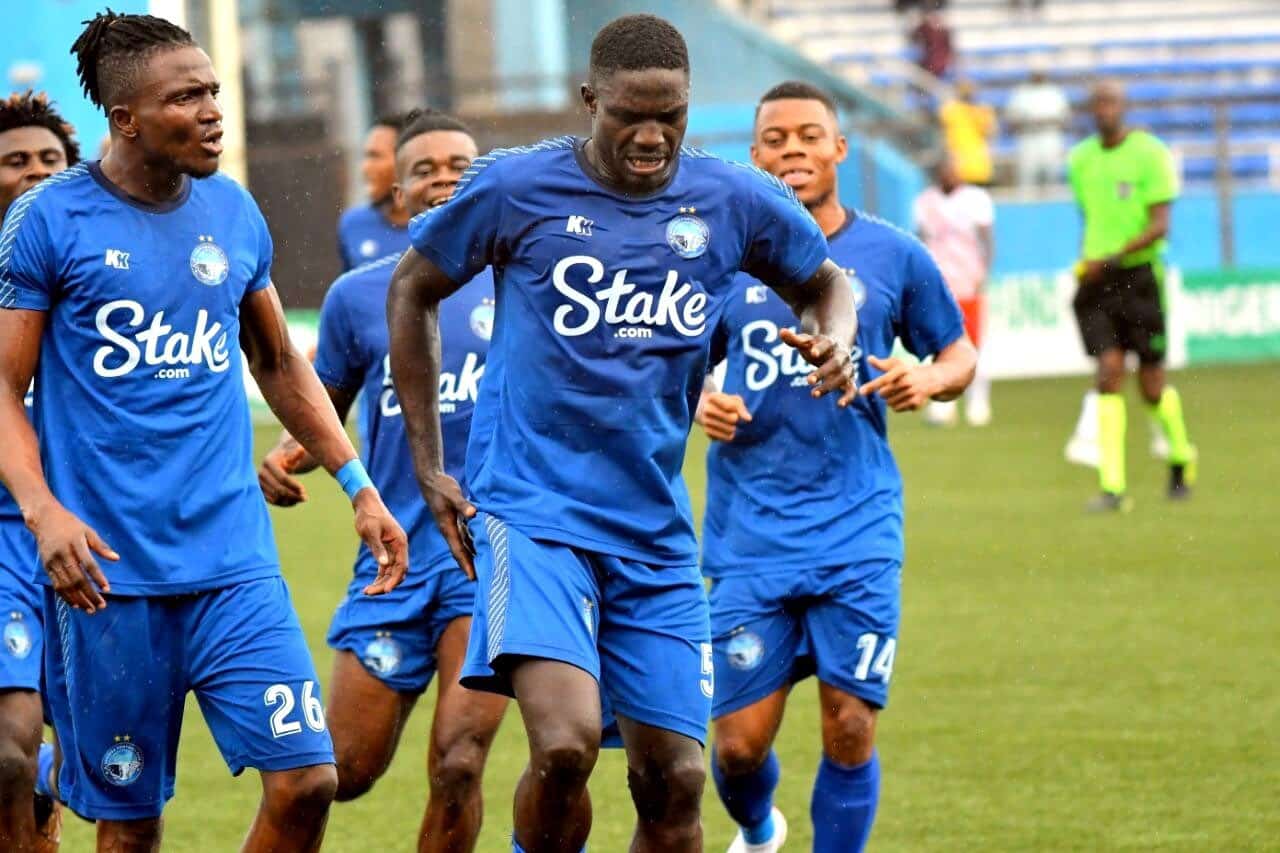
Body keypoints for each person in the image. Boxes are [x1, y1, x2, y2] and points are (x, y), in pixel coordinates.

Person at [387, 15, 859, 853]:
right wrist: (429, 464)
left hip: (653, 530)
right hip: (532, 514)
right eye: (628, 116)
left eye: (669, 116)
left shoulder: (730, 199)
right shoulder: (517, 188)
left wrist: (837, 336)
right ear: (588, 101)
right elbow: (412, 288)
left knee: (676, 778)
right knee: (564, 745)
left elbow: (825, 282)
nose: (650, 136)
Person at [0, 12, 408, 851]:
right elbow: (3, 387)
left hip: (233, 563)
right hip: (109, 577)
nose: (214, 110)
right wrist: (43, 511)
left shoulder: (232, 209)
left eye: (213, 90)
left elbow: (278, 361)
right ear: (126, 120)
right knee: (130, 829)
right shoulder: (50, 220)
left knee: (308, 781)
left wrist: (357, 483)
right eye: (186, 97)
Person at [696, 81, 974, 853]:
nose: (793, 149)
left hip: (857, 525)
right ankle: (759, 830)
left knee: (850, 723)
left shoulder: (892, 254)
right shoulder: (722, 264)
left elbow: (959, 353)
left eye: (809, 135)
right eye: (776, 138)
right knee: (737, 748)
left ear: (839, 149)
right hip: (750, 533)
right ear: (755, 155)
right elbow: (674, 369)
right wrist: (702, 400)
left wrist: (929, 378)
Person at [258, 110, 507, 852]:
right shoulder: (359, 296)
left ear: (487, 179)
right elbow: (323, 410)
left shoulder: (525, 283)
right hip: (394, 557)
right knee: (340, 770)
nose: (443, 178)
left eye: (460, 165)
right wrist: (286, 454)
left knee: (459, 761)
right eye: (424, 169)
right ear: (398, 192)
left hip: (490, 560)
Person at [0, 88, 80, 853]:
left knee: (107, 756)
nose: (34, 171)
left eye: (50, 159)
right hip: (8, 531)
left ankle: (55, 774)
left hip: (96, 521)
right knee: (7, 751)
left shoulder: (100, 272)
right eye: (15, 159)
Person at [1067, 79, 1196, 511]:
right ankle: (1112, 487)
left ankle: (1180, 455)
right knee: (1108, 371)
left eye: (1110, 102)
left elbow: (1160, 225)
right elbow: (1092, 218)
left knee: (1152, 385)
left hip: (1138, 278)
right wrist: (1092, 262)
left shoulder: (1150, 154)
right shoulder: (1080, 160)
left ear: (1123, 107)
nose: (1103, 109)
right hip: (1097, 281)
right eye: (1097, 103)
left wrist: (1114, 257)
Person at [914, 151, 995, 425]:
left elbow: (987, 240)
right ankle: (944, 403)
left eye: (953, 168)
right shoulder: (925, 202)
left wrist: (983, 273)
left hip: (968, 282)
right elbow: (921, 242)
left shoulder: (976, 199)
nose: (949, 173)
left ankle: (978, 400)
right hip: (939, 285)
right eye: (944, 169)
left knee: (973, 344)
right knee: (941, 343)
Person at [337, 112, 415, 270]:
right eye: (365, 157)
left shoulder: (442, 227)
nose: (365, 168)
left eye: (375, 156)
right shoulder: (353, 224)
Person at [1005, 68, 1071, 190]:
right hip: (1027, 139)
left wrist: (1045, 121)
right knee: (1027, 179)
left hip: (1050, 138)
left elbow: (1065, 119)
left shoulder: (1054, 92)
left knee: (1053, 178)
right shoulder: (1021, 93)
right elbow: (1011, 120)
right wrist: (1029, 122)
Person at [939, 81, 997, 186]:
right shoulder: (954, 110)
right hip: (968, 164)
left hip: (969, 164)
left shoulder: (952, 110)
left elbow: (991, 131)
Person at [910, 10, 954, 80]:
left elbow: (949, 49)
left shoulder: (943, 32)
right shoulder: (926, 29)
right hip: (930, 63)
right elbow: (914, 36)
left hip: (937, 64)